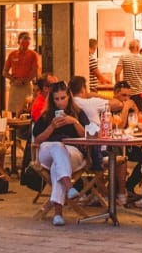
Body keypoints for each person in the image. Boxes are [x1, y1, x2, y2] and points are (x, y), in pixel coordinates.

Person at [33, 81, 91, 226]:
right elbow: (37, 140)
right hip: (48, 149)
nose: (60, 102)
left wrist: (74, 122)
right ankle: (69, 186)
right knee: (58, 147)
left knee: (56, 167)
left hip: (72, 151)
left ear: (69, 97)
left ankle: (58, 215)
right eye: (56, 99)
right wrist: (51, 127)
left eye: (63, 98)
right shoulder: (46, 116)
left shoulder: (78, 113)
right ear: (52, 100)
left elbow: (87, 136)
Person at [4, 31, 41, 115]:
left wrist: (25, 81)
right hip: (14, 86)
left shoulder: (33, 55)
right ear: (18, 41)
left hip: (26, 85)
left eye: (28, 39)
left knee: (27, 110)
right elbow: (4, 72)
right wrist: (14, 80)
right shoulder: (12, 54)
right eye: (25, 38)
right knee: (13, 111)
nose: (27, 41)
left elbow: (35, 71)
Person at [114, 39, 142, 111]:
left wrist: (118, 88)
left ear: (129, 48)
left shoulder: (123, 57)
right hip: (141, 93)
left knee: (127, 115)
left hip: (127, 93)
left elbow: (117, 73)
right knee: (139, 115)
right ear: (138, 48)